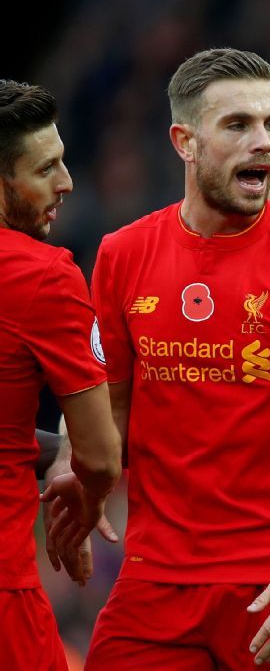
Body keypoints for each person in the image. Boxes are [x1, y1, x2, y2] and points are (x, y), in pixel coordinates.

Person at [76, 48, 270, 670]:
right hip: (155, 585)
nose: (264, 143)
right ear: (184, 141)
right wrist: (74, 478)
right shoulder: (122, 256)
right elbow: (109, 410)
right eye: (238, 125)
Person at [0, 79, 121, 670]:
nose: (67, 182)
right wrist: (86, 496)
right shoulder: (42, 277)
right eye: (45, 167)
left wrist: (47, 452)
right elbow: (99, 457)